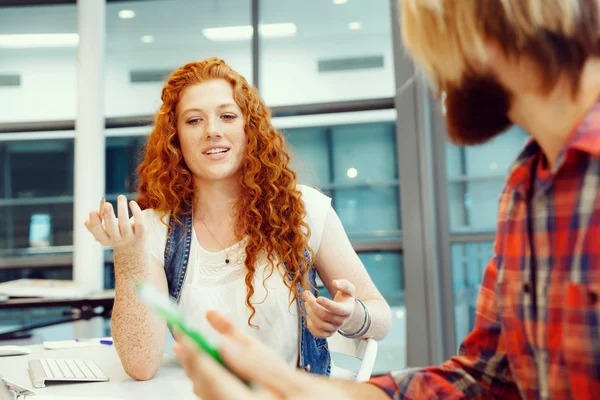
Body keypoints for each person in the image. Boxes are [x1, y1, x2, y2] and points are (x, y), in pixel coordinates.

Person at [172, 0, 600, 398]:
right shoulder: (525, 189)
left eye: (436, 42)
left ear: (494, 27)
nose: (435, 76)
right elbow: (481, 378)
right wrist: (288, 385)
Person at [85, 57, 391, 381]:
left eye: (227, 116)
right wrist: (128, 255)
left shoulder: (304, 209)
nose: (212, 131)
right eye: (193, 121)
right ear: (176, 139)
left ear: (249, 128)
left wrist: (351, 315)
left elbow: (380, 315)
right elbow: (140, 365)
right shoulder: (154, 229)